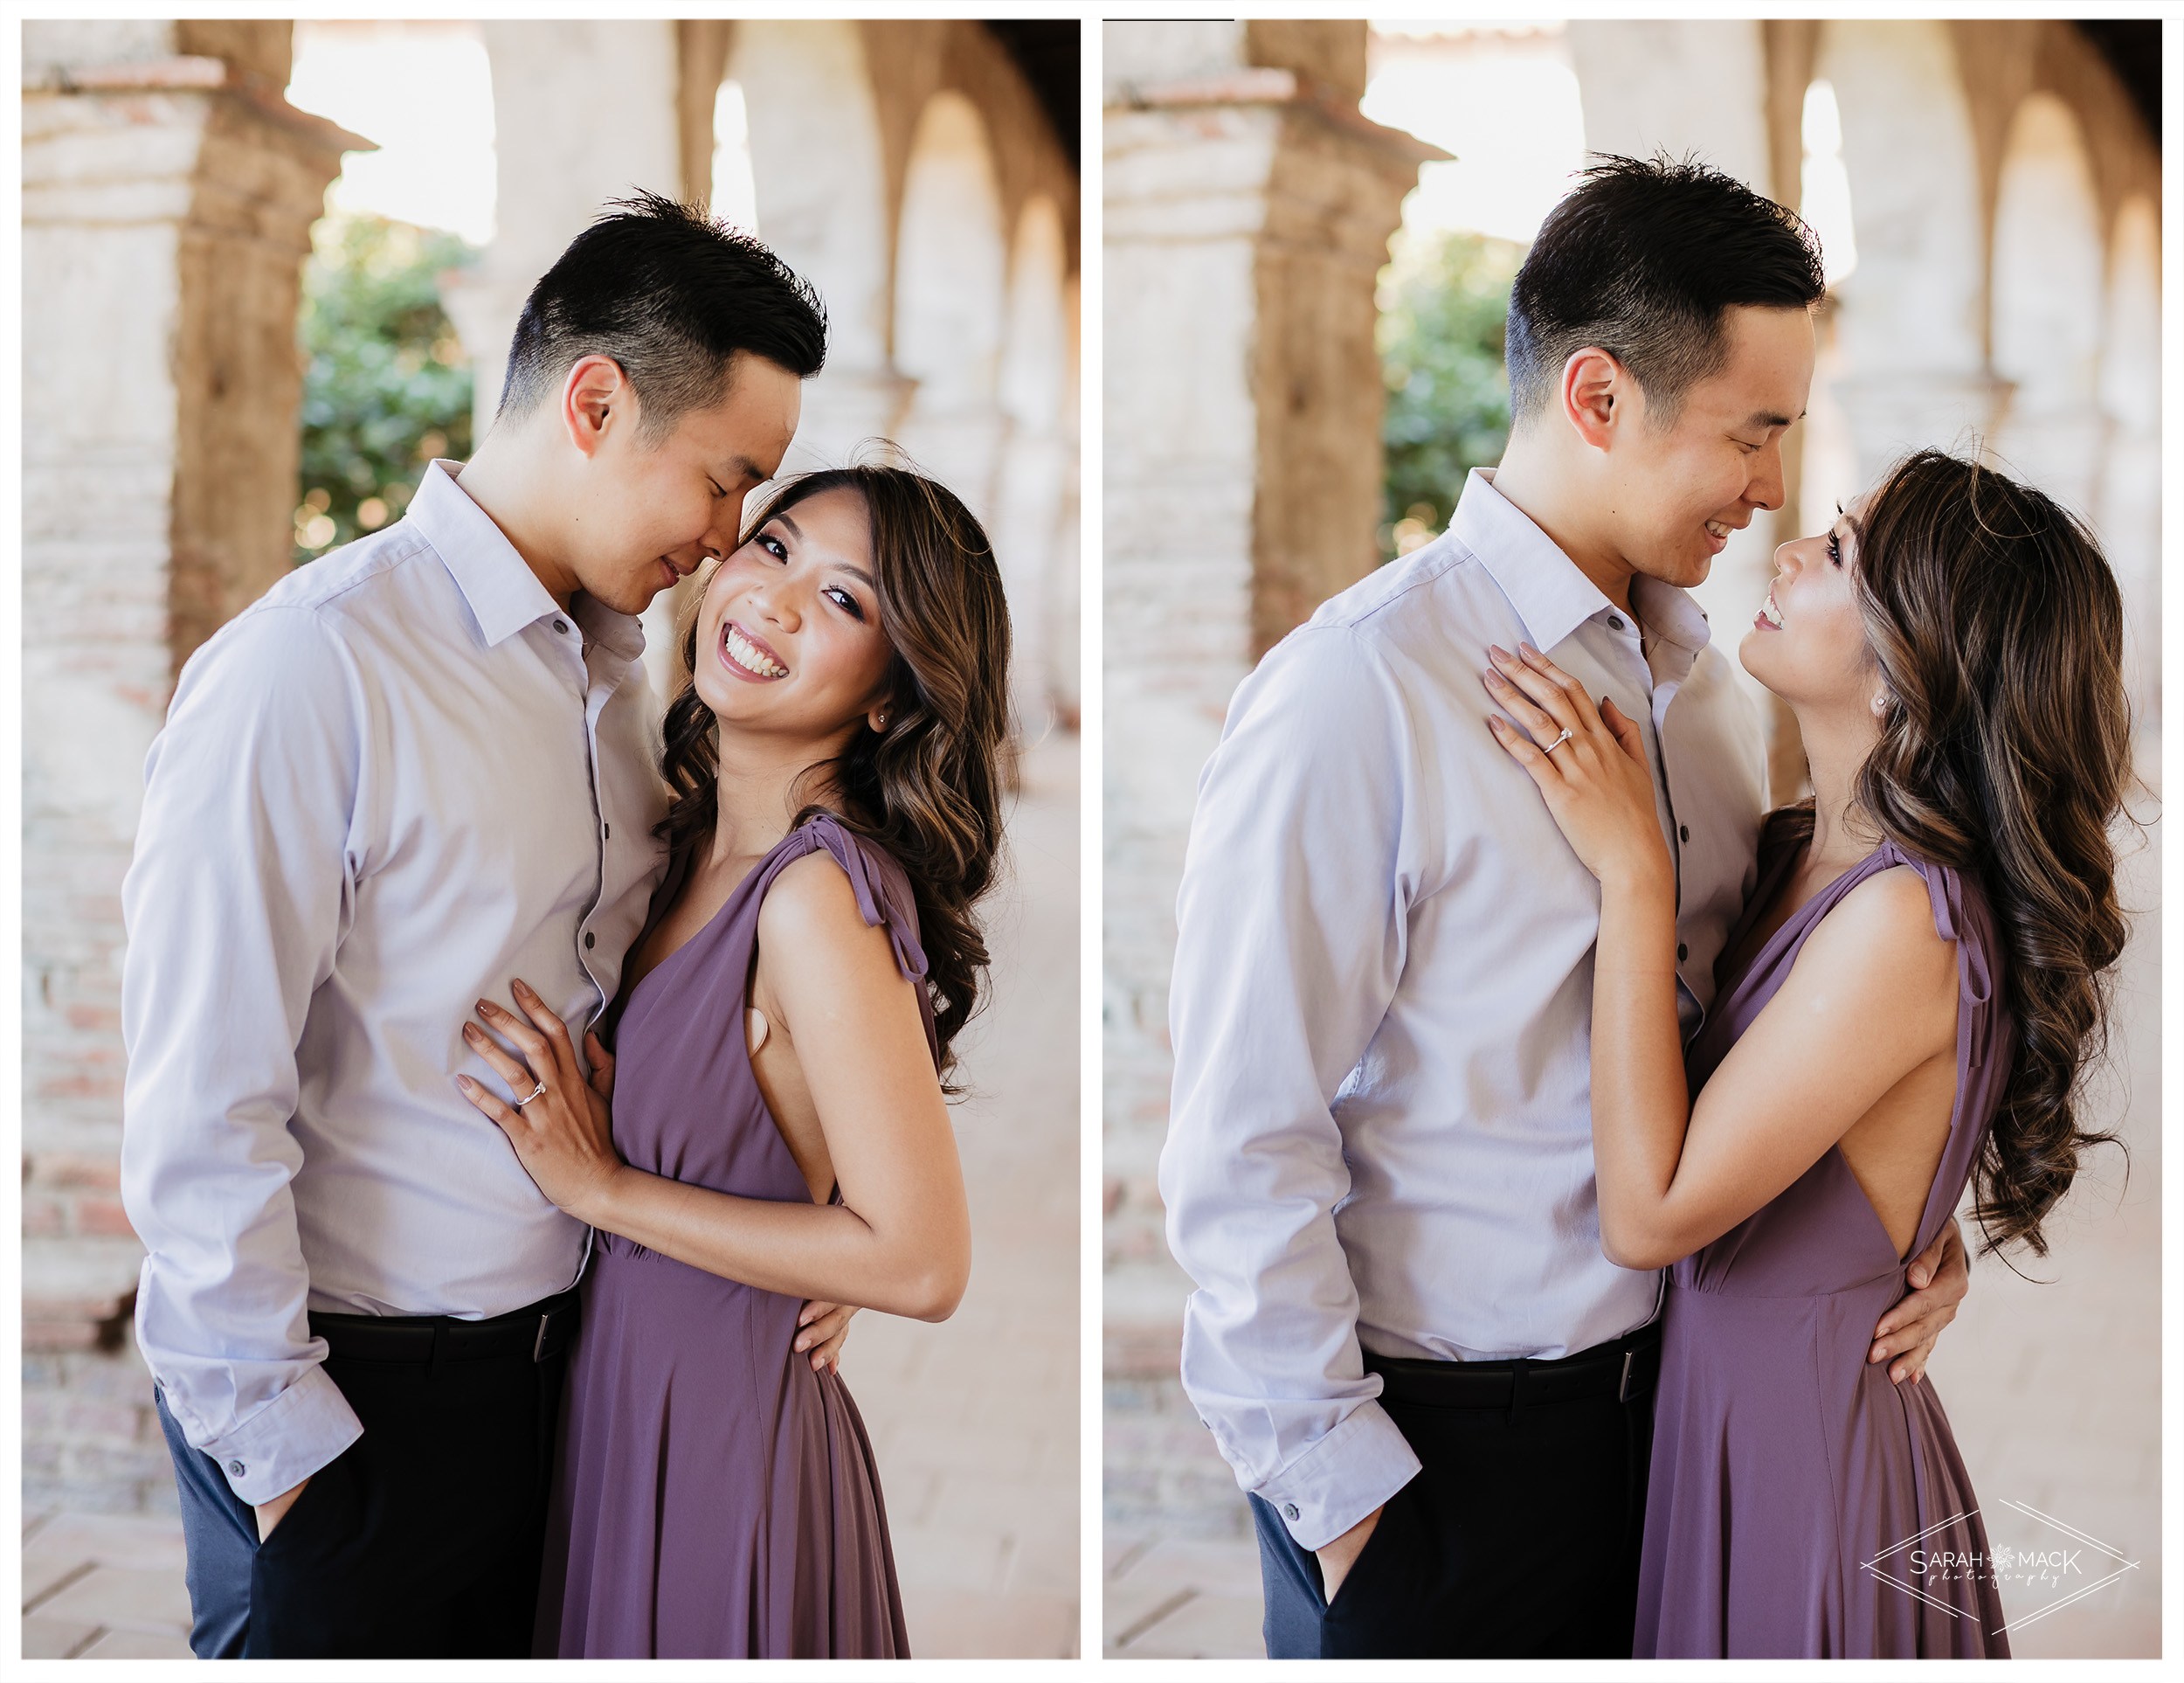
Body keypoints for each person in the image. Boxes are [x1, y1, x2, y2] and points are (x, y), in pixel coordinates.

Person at [1159, 156, 1972, 1659]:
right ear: (1598, 398)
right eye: (1753, 433)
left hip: (1679, 1439)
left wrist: (1902, 1226)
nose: (1773, 486)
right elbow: (1237, 1137)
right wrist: (1350, 1519)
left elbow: (1768, 1047)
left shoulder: (1720, 702)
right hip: (1439, 1467)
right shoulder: (1361, 691)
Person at [121, 194, 852, 1659]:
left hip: (570, 1384)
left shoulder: (624, 689)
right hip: (359, 1412)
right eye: (725, 483)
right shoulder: (309, 671)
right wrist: (297, 1477)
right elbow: (200, 1110)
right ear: (596, 402)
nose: (725, 544)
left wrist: (812, 1227)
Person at [1482, 450, 2129, 1656]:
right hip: (1740, 1421)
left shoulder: (1902, 920)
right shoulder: (1795, 848)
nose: (1788, 544)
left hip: (1805, 1474)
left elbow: (1653, 1209)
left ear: (1906, 671)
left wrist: (1634, 874)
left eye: (1838, 552)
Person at [453, 462, 1010, 1658]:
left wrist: (604, 1186)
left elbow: (921, 1261)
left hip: (720, 1432)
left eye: (848, 601)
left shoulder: (813, 898)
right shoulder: (686, 839)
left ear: (890, 698)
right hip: (631, 1395)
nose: (778, 600)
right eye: (774, 549)